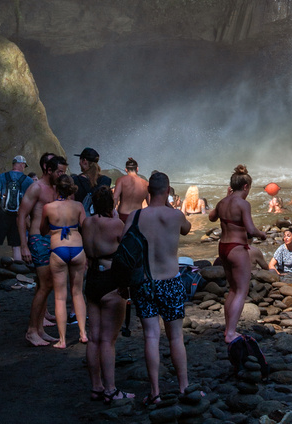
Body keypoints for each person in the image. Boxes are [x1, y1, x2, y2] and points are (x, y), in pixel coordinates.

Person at [128, 170, 193, 405]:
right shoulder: (175, 216)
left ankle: (154, 392)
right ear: (167, 190)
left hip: (145, 283)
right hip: (171, 282)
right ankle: (184, 388)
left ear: (148, 192)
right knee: (175, 337)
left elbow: (125, 246)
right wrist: (169, 204)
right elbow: (187, 227)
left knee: (151, 336)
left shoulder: (135, 217)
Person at [80, 185, 130, 404]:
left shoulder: (86, 223)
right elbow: (128, 252)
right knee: (108, 340)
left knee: (94, 338)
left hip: (91, 280)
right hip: (111, 281)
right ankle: (111, 390)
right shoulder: (116, 224)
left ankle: (96, 387)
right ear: (112, 204)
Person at [208, 164, 266, 350]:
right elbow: (250, 229)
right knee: (241, 290)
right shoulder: (243, 204)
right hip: (237, 248)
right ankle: (231, 332)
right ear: (246, 187)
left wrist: (226, 197)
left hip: (223, 247)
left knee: (232, 290)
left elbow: (211, 218)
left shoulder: (223, 202)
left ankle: (228, 329)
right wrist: (262, 234)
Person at [17, 153, 67, 346]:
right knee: (46, 285)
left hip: (52, 239)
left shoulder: (57, 188)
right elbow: (21, 216)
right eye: (59, 171)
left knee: (44, 285)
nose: (62, 175)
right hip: (38, 239)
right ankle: (31, 330)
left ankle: (39, 329)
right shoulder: (36, 188)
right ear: (49, 170)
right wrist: (23, 245)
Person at [41, 173, 87, 348]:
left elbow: (43, 230)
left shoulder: (48, 207)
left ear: (56, 188)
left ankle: (62, 340)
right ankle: (83, 334)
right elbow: (86, 226)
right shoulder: (78, 206)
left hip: (58, 249)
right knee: (77, 292)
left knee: (60, 297)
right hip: (77, 248)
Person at [0, 156, 33, 261]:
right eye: (24, 165)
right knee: (16, 245)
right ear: (22, 165)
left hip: (2, 213)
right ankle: (18, 269)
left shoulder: (2, 176)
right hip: (19, 215)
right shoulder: (28, 180)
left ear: (13, 164)